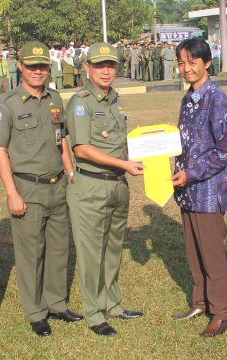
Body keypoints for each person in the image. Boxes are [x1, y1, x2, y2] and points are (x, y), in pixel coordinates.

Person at [0, 41, 81, 338]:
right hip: (27, 187)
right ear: (20, 66)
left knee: (57, 249)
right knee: (31, 253)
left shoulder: (54, 98)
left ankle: (56, 303)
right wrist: (12, 193)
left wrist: (70, 172)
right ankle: (37, 312)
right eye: (32, 66)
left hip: (57, 185)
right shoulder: (8, 103)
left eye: (42, 66)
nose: (38, 71)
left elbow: (61, 139)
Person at [65, 42, 144, 337]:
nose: (106, 70)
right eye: (99, 65)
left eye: (111, 65)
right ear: (87, 68)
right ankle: (94, 312)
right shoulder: (81, 101)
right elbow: (82, 149)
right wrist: (123, 164)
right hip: (91, 186)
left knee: (112, 249)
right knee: (91, 253)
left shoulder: (114, 100)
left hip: (117, 185)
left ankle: (113, 304)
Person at [171, 37, 227, 337]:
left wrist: (191, 173)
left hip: (209, 192)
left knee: (212, 254)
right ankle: (201, 301)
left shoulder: (218, 99)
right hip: (187, 191)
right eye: (182, 62)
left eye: (192, 62)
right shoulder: (189, 98)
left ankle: (221, 311)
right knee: (193, 251)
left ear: (207, 62)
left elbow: (224, 151)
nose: (186, 68)